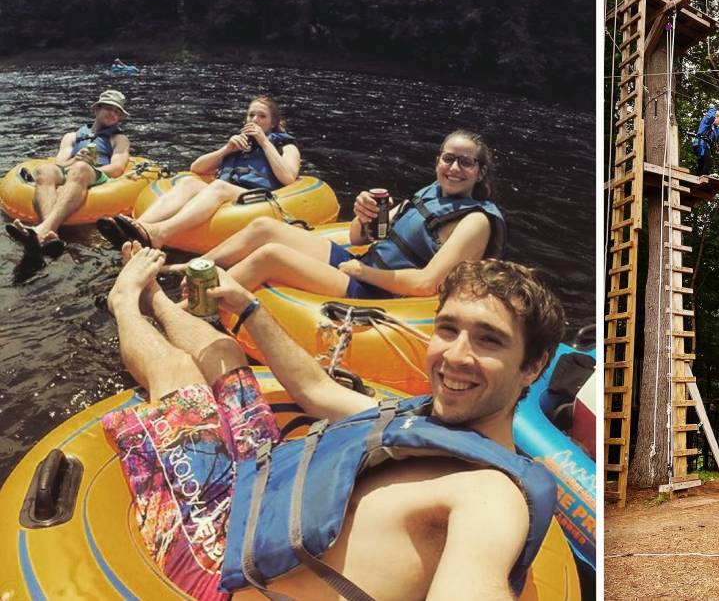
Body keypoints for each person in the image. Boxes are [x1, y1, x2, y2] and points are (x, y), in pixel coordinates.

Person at [102, 246, 563, 599]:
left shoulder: (493, 499)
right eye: (447, 329)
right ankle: (158, 299)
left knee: (180, 375)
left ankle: (124, 300)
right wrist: (247, 307)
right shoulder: (424, 419)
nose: (456, 355)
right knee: (224, 354)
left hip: (220, 558)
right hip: (267, 484)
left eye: (488, 340)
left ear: (533, 367)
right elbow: (316, 392)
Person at [176, 130, 505, 300]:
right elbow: (361, 238)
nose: (454, 168)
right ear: (438, 161)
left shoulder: (474, 221)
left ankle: (192, 307)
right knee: (264, 226)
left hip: (382, 292)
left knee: (271, 255)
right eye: (449, 159)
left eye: (467, 162)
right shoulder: (430, 192)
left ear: (480, 172)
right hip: (366, 267)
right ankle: (191, 266)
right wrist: (364, 215)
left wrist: (363, 272)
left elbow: (426, 284)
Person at [97, 96, 300, 250]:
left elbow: (288, 178)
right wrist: (226, 150)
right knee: (187, 182)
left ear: (273, 123)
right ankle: (135, 229)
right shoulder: (240, 143)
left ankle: (160, 233)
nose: (254, 119)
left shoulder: (286, 147)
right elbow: (197, 168)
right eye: (250, 115)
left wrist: (264, 142)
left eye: (261, 116)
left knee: (218, 186)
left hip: (258, 199)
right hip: (227, 194)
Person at [5, 90, 131, 259]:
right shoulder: (71, 137)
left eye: (117, 112)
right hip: (71, 169)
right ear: (96, 110)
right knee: (45, 170)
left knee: (81, 168)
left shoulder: (118, 139)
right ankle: (50, 234)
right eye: (109, 108)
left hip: (97, 173)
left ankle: (43, 228)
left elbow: (117, 167)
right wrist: (73, 162)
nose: (112, 114)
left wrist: (84, 167)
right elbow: (59, 163)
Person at [692, 105, 719, 177]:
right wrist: (713, 109)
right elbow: (710, 116)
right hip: (701, 144)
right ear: (716, 117)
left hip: (703, 146)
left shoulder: (714, 129)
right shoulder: (707, 121)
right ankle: (704, 176)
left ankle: (698, 176)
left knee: (702, 164)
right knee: (708, 161)